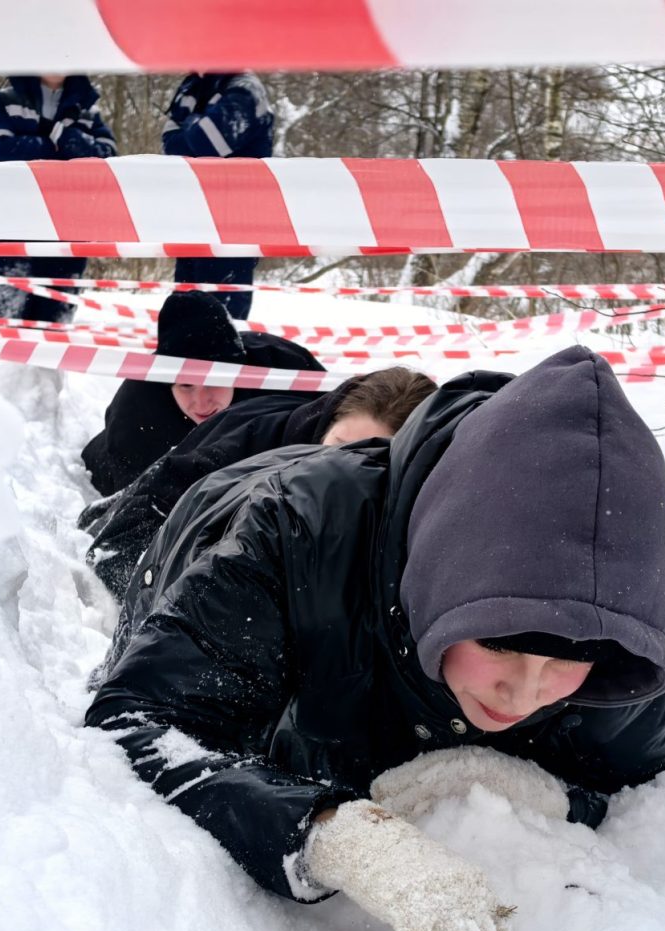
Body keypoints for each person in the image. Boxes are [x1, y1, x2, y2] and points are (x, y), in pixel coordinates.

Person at [86, 346, 665, 931]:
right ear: (439, 581)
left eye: (568, 660)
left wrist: (537, 791)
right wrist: (338, 836)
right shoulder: (294, 533)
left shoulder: (626, 634)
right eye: (500, 644)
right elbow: (137, 723)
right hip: (209, 524)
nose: (524, 693)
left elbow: (635, 783)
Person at [80, 365, 437, 599]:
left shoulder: (419, 508)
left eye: (368, 461)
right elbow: (127, 533)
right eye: (337, 449)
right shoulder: (246, 452)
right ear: (325, 426)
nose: (343, 471)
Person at [81, 291, 326, 497]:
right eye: (186, 386)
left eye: (213, 381)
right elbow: (133, 508)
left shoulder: (285, 371)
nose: (201, 402)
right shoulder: (138, 411)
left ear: (237, 372)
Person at [0, 75, 118, 324]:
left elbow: (105, 160)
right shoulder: (3, 100)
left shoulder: (88, 109)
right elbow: (1, 152)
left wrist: (59, 134)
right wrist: (62, 152)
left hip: (69, 234)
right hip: (13, 230)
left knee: (52, 329)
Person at [161, 72, 274, 320]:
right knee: (184, 315)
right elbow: (170, 143)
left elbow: (208, 143)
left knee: (222, 319)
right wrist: (197, 126)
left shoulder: (246, 89)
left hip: (232, 221)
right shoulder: (193, 86)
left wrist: (189, 127)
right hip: (192, 215)